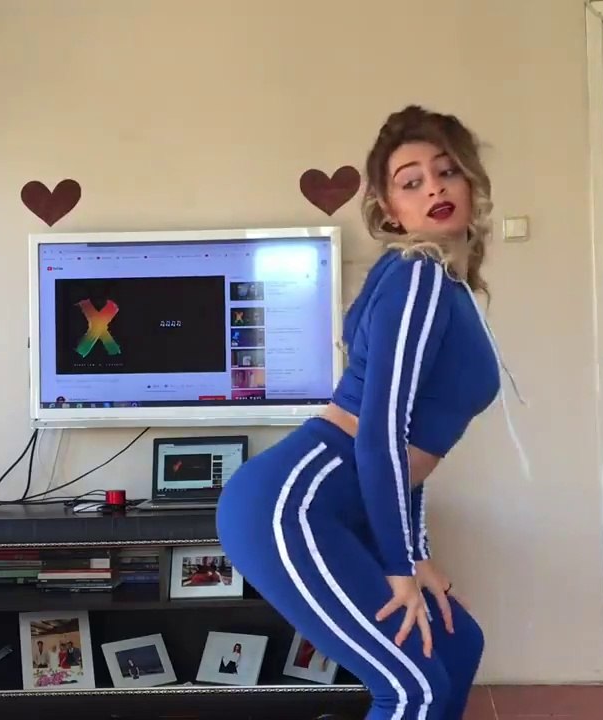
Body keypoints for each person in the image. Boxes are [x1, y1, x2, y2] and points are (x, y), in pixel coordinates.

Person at [217, 105, 524, 720]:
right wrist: (397, 565)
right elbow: (383, 433)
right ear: (390, 210)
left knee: (455, 644)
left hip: (339, 501)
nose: (434, 188)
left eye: (447, 171)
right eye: (411, 182)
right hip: (299, 501)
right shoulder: (419, 276)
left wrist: (415, 555)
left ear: (471, 182)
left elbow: (406, 457)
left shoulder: (443, 283)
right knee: (413, 687)